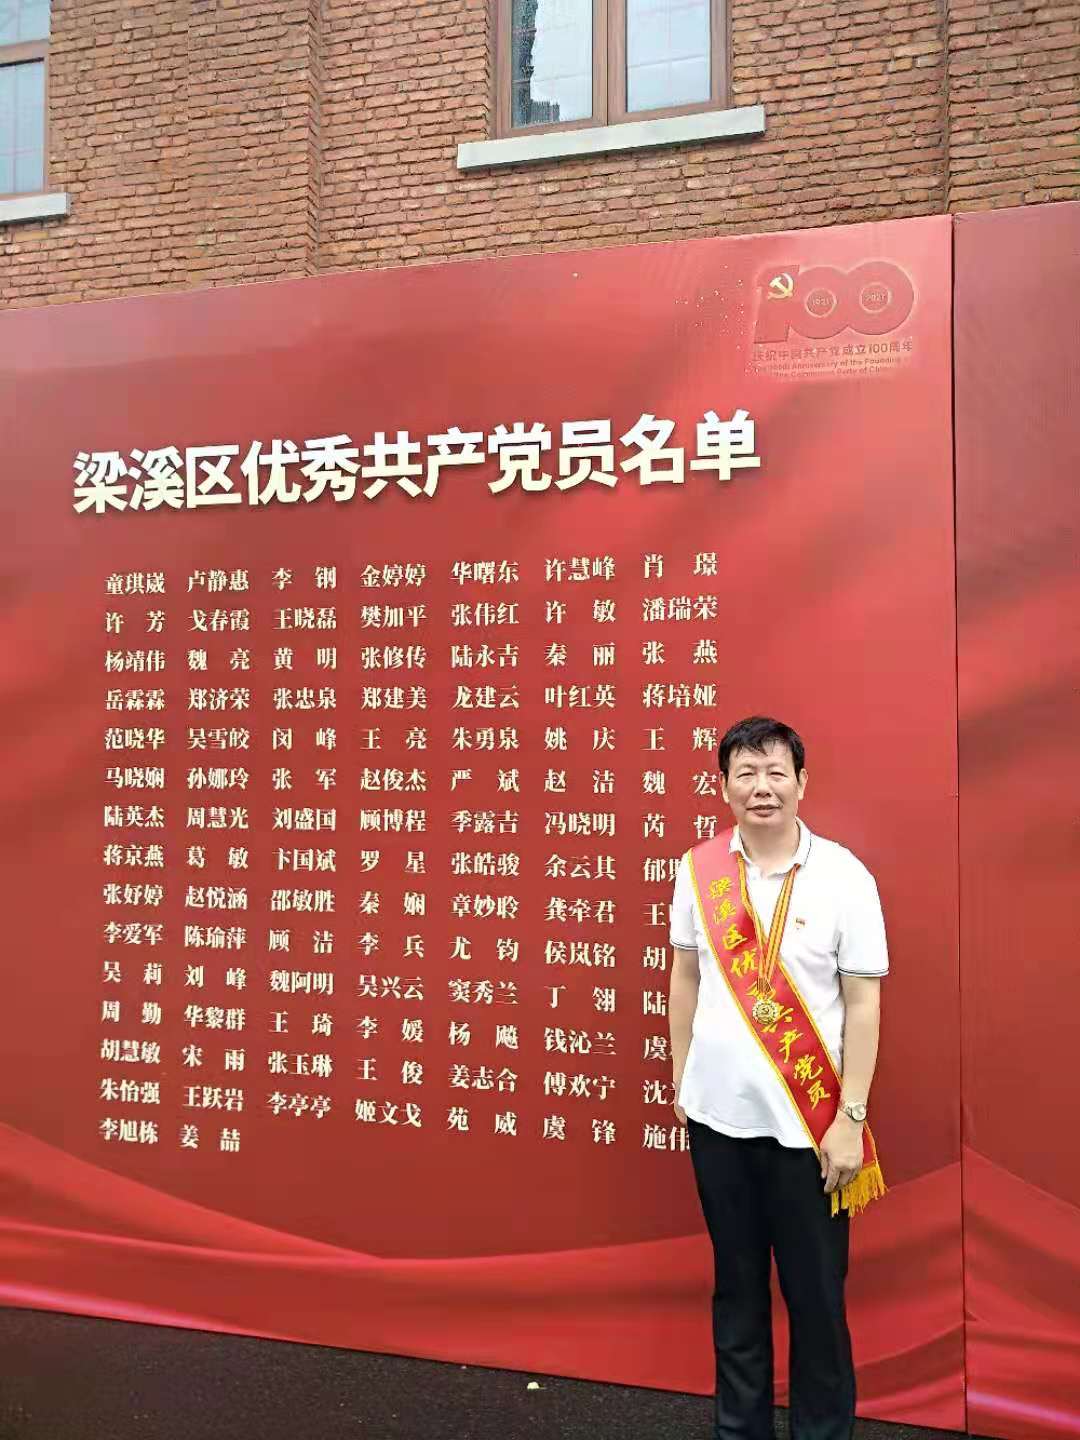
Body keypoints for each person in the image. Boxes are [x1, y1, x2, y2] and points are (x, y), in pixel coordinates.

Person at [668, 715, 888, 1440]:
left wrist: (851, 1117)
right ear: (723, 787)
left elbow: (863, 1001)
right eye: (746, 773)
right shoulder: (698, 871)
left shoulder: (844, 877)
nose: (761, 787)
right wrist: (682, 1076)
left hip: (810, 1133)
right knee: (736, 1294)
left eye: (775, 773)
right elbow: (685, 977)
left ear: (801, 782)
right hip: (717, 1125)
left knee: (817, 1303)